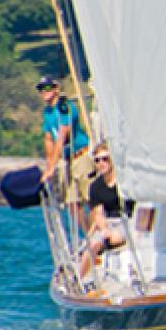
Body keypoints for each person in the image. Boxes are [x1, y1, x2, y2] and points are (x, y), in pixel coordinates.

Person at [37, 76, 92, 210]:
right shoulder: (47, 112)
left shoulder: (64, 106)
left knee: (90, 198)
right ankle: (88, 230)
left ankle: (98, 228)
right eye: (41, 89)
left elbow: (62, 136)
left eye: (47, 88)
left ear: (56, 89)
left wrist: (52, 169)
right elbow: (49, 139)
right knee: (71, 203)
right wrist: (49, 166)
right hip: (67, 159)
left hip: (80, 156)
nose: (44, 91)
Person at [78, 143, 128, 279]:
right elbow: (97, 213)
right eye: (97, 160)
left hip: (127, 220)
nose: (101, 163)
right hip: (109, 222)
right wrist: (104, 229)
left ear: (112, 160)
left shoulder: (125, 182)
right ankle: (80, 279)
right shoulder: (95, 187)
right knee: (93, 243)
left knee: (117, 237)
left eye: (105, 159)